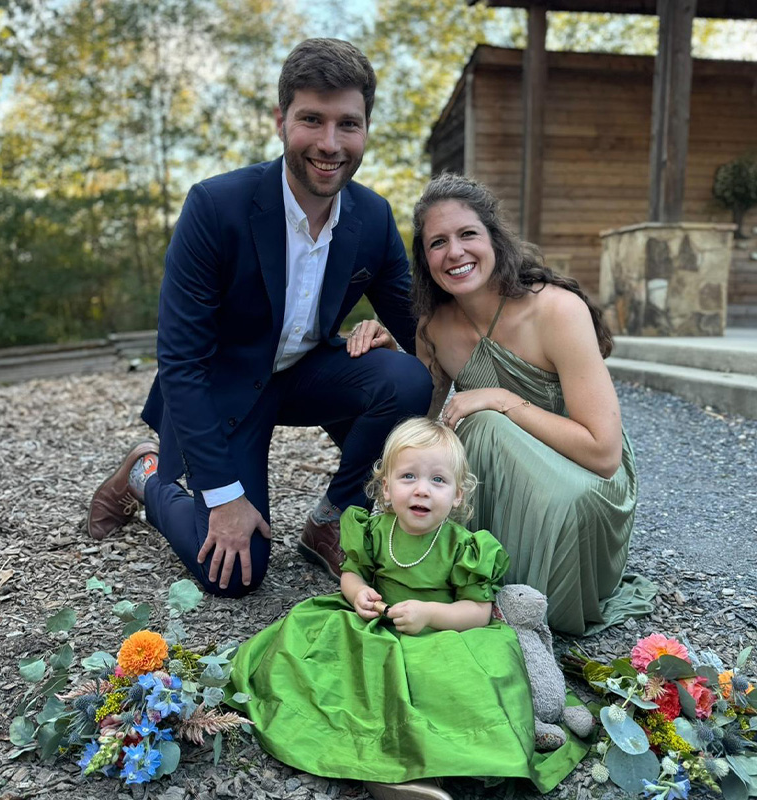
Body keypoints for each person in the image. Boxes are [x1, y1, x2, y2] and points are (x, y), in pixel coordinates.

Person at [86, 38, 432, 597]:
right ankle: (145, 476)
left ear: (366, 127)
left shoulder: (372, 216)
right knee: (233, 573)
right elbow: (180, 360)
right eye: (311, 120)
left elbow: (422, 329)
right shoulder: (214, 207)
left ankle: (334, 517)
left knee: (406, 377)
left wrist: (498, 391)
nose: (329, 143)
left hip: (304, 374)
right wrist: (224, 498)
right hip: (224, 385)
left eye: (348, 124)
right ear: (280, 121)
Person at [228, 418, 588, 800]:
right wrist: (359, 594)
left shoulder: (463, 546)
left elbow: (479, 611)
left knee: (451, 686)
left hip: (442, 635)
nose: (422, 490)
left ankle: (434, 770)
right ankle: (376, 762)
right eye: (408, 477)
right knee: (343, 674)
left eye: (438, 481)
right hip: (378, 627)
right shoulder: (374, 530)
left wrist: (430, 614)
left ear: (458, 495)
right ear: (385, 487)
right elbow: (351, 574)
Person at [407, 172, 656, 636]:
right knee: (473, 428)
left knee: (483, 421)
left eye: (467, 234)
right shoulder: (435, 328)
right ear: (425, 259)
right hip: (511, 482)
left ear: (494, 239)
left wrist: (504, 399)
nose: (454, 252)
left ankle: (519, 601)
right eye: (437, 242)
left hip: (585, 491)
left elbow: (604, 456)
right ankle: (476, 584)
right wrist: (384, 356)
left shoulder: (555, 310)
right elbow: (421, 430)